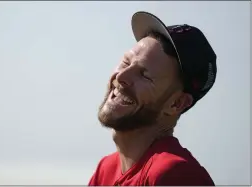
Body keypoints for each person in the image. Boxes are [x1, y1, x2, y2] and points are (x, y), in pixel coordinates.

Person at [88, 11, 216, 186]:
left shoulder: (175, 174)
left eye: (145, 75)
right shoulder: (106, 169)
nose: (121, 77)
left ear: (176, 103)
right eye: (126, 62)